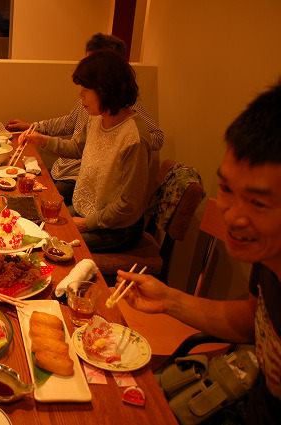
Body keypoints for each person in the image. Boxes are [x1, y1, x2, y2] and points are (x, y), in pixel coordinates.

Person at [117, 81, 281, 424]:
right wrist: (169, 300)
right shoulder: (268, 259)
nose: (233, 216)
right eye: (226, 189)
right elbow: (251, 320)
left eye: (258, 202)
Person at [7, 33, 163, 204]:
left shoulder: (130, 126)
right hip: (74, 181)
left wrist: (115, 145)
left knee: (39, 201)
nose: (82, 91)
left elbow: (127, 204)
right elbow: (73, 135)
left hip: (80, 182)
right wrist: (37, 132)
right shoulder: (97, 113)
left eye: (93, 65)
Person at [27, 50, 151, 252]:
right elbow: (78, 148)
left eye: (85, 89)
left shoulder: (134, 138)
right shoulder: (97, 118)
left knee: (46, 245)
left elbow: (128, 206)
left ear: (105, 90)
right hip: (85, 210)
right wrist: (42, 140)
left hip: (116, 228)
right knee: (33, 224)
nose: (80, 95)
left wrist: (86, 223)